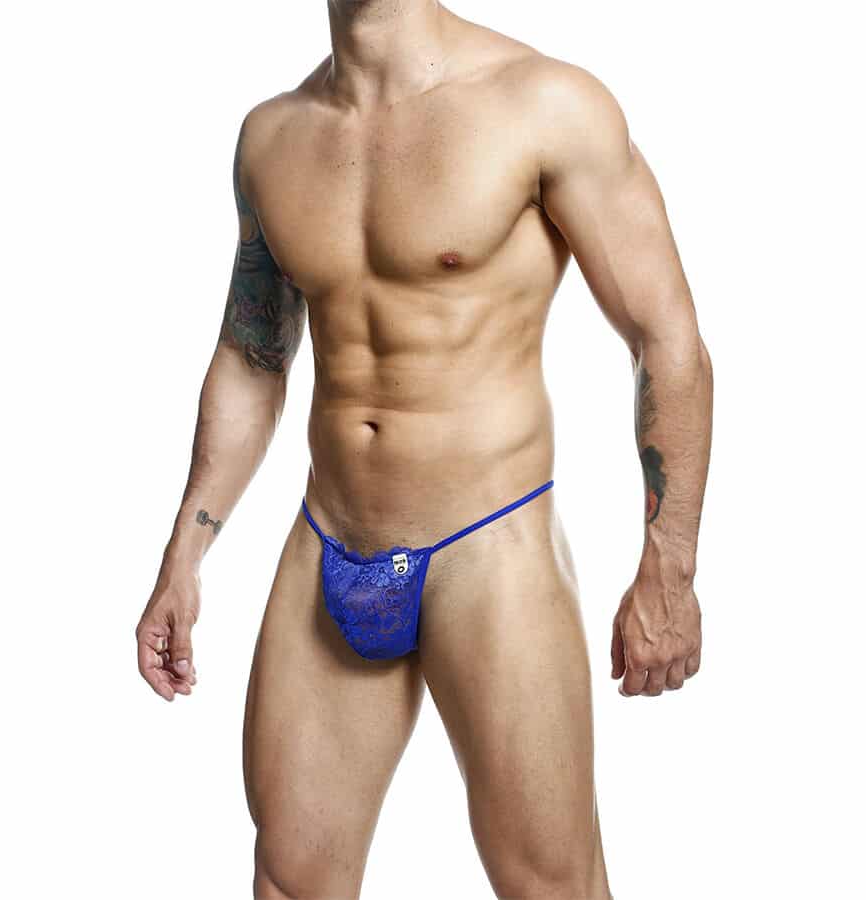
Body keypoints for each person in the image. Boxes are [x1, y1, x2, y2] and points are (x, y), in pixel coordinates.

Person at [135, 2, 713, 897]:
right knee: (289, 879)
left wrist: (668, 572)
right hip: (329, 539)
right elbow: (253, 359)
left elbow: (666, 338)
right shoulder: (273, 138)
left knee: (550, 884)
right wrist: (184, 555)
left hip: (489, 546)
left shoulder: (544, 104)